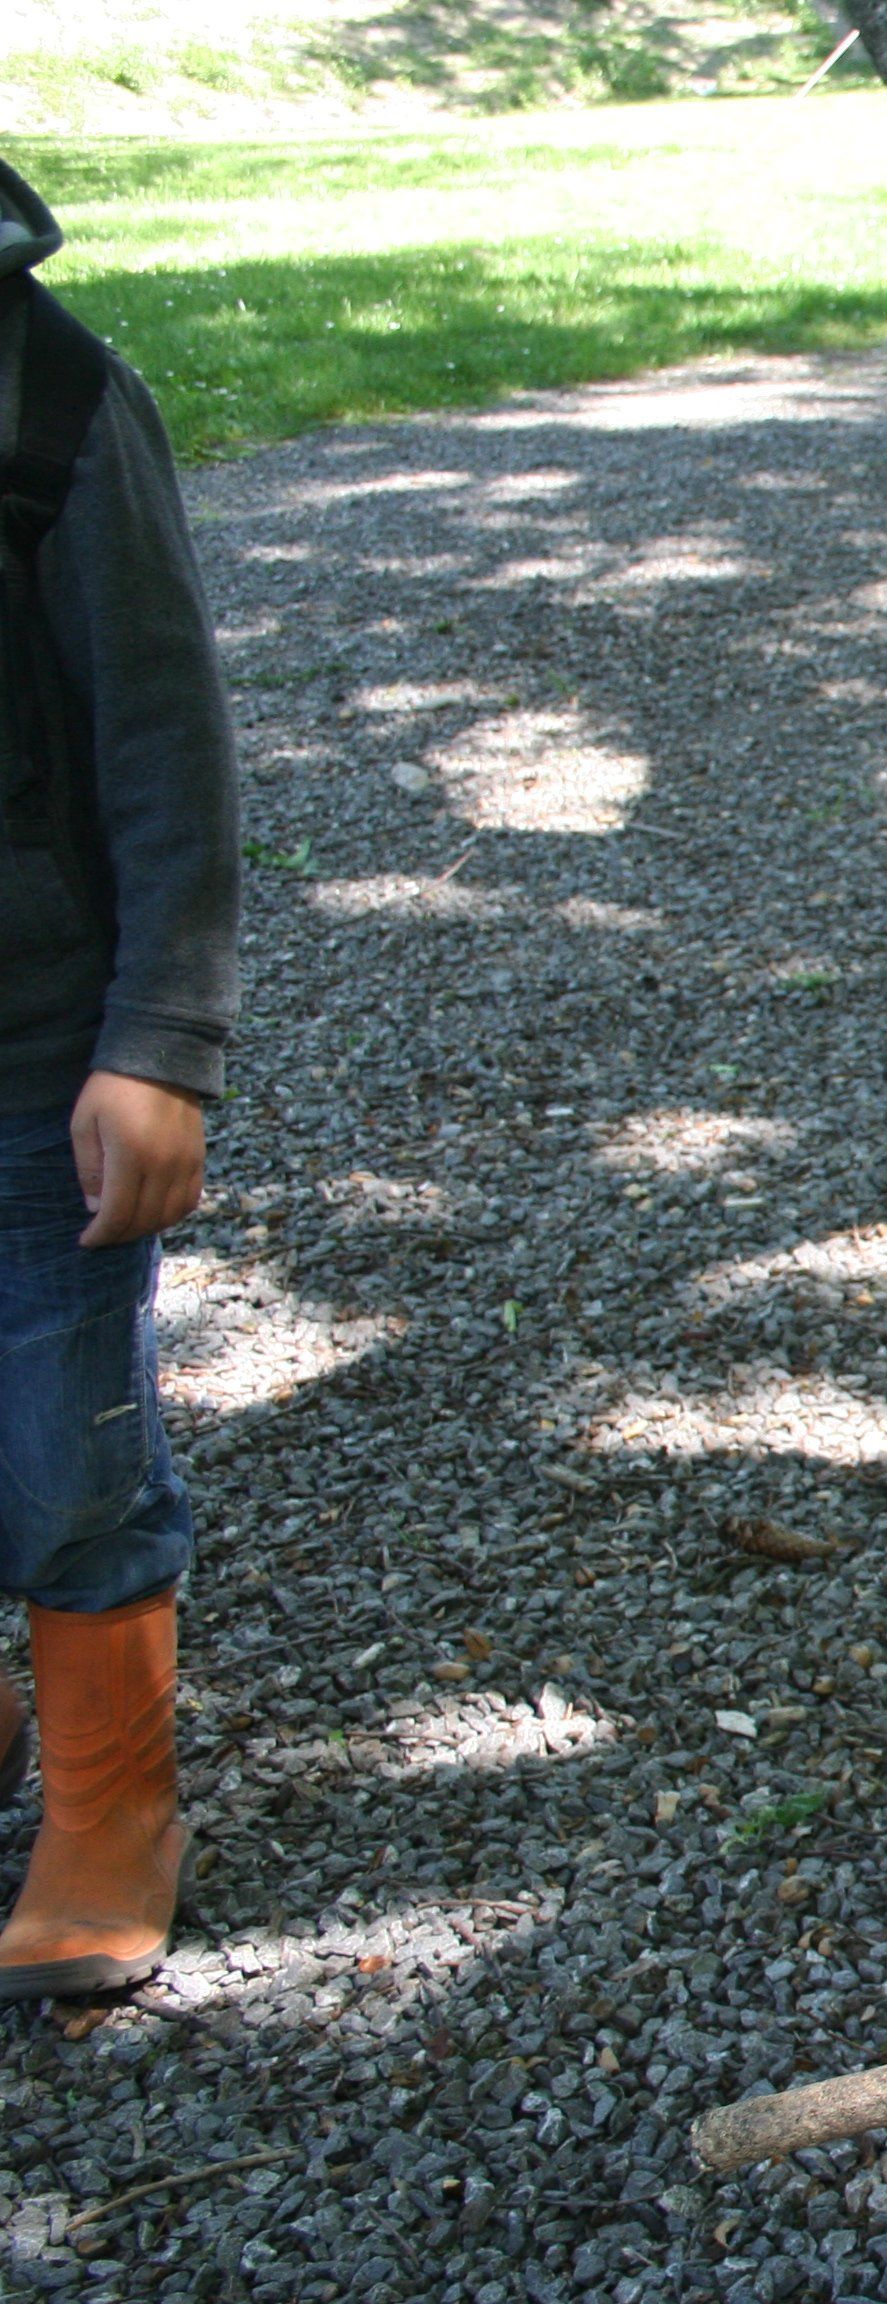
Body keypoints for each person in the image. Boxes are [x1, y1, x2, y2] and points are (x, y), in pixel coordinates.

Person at [0, 160, 234, 2002]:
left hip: (29, 1059)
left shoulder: (52, 397)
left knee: (61, 1447)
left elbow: (164, 740)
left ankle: (108, 1806)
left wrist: (158, 1042)